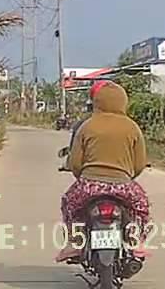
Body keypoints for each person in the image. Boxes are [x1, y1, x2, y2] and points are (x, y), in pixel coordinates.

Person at [55, 80, 150, 263]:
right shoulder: (132, 127)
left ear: (96, 102)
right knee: (141, 207)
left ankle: (74, 242)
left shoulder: (86, 126)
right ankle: (136, 240)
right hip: (123, 185)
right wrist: (127, 177)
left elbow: (75, 163)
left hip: (89, 185)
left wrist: (82, 177)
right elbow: (139, 164)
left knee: (69, 204)